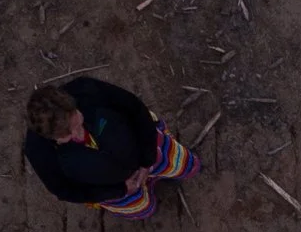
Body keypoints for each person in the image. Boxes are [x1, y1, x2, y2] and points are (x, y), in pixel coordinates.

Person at [22, 77, 199, 220]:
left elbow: (135, 109)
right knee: (144, 209)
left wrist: (147, 160)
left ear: (73, 104)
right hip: (116, 187)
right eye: (67, 136)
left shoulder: (87, 90)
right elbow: (66, 191)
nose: (78, 134)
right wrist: (120, 190)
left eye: (77, 123)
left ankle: (161, 174)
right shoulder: (38, 152)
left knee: (184, 165)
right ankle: (145, 199)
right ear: (50, 138)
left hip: (145, 149)